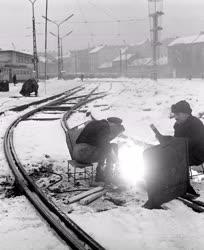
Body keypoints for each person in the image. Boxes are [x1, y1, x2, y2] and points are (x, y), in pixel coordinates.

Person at [156, 100, 204, 196]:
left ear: (186, 114)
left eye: (178, 114)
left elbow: (192, 142)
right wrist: (164, 139)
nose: (175, 117)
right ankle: (166, 182)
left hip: (197, 153)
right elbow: (177, 142)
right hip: (184, 151)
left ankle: (183, 187)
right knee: (163, 155)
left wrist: (172, 142)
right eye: (174, 114)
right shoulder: (178, 125)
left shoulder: (196, 124)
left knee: (175, 160)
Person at [72, 117, 125, 183]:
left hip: (76, 154)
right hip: (84, 155)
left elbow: (98, 141)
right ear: (112, 124)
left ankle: (103, 174)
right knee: (111, 147)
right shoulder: (105, 128)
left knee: (106, 147)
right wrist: (116, 160)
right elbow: (104, 144)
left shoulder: (97, 123)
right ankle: (107, 175)